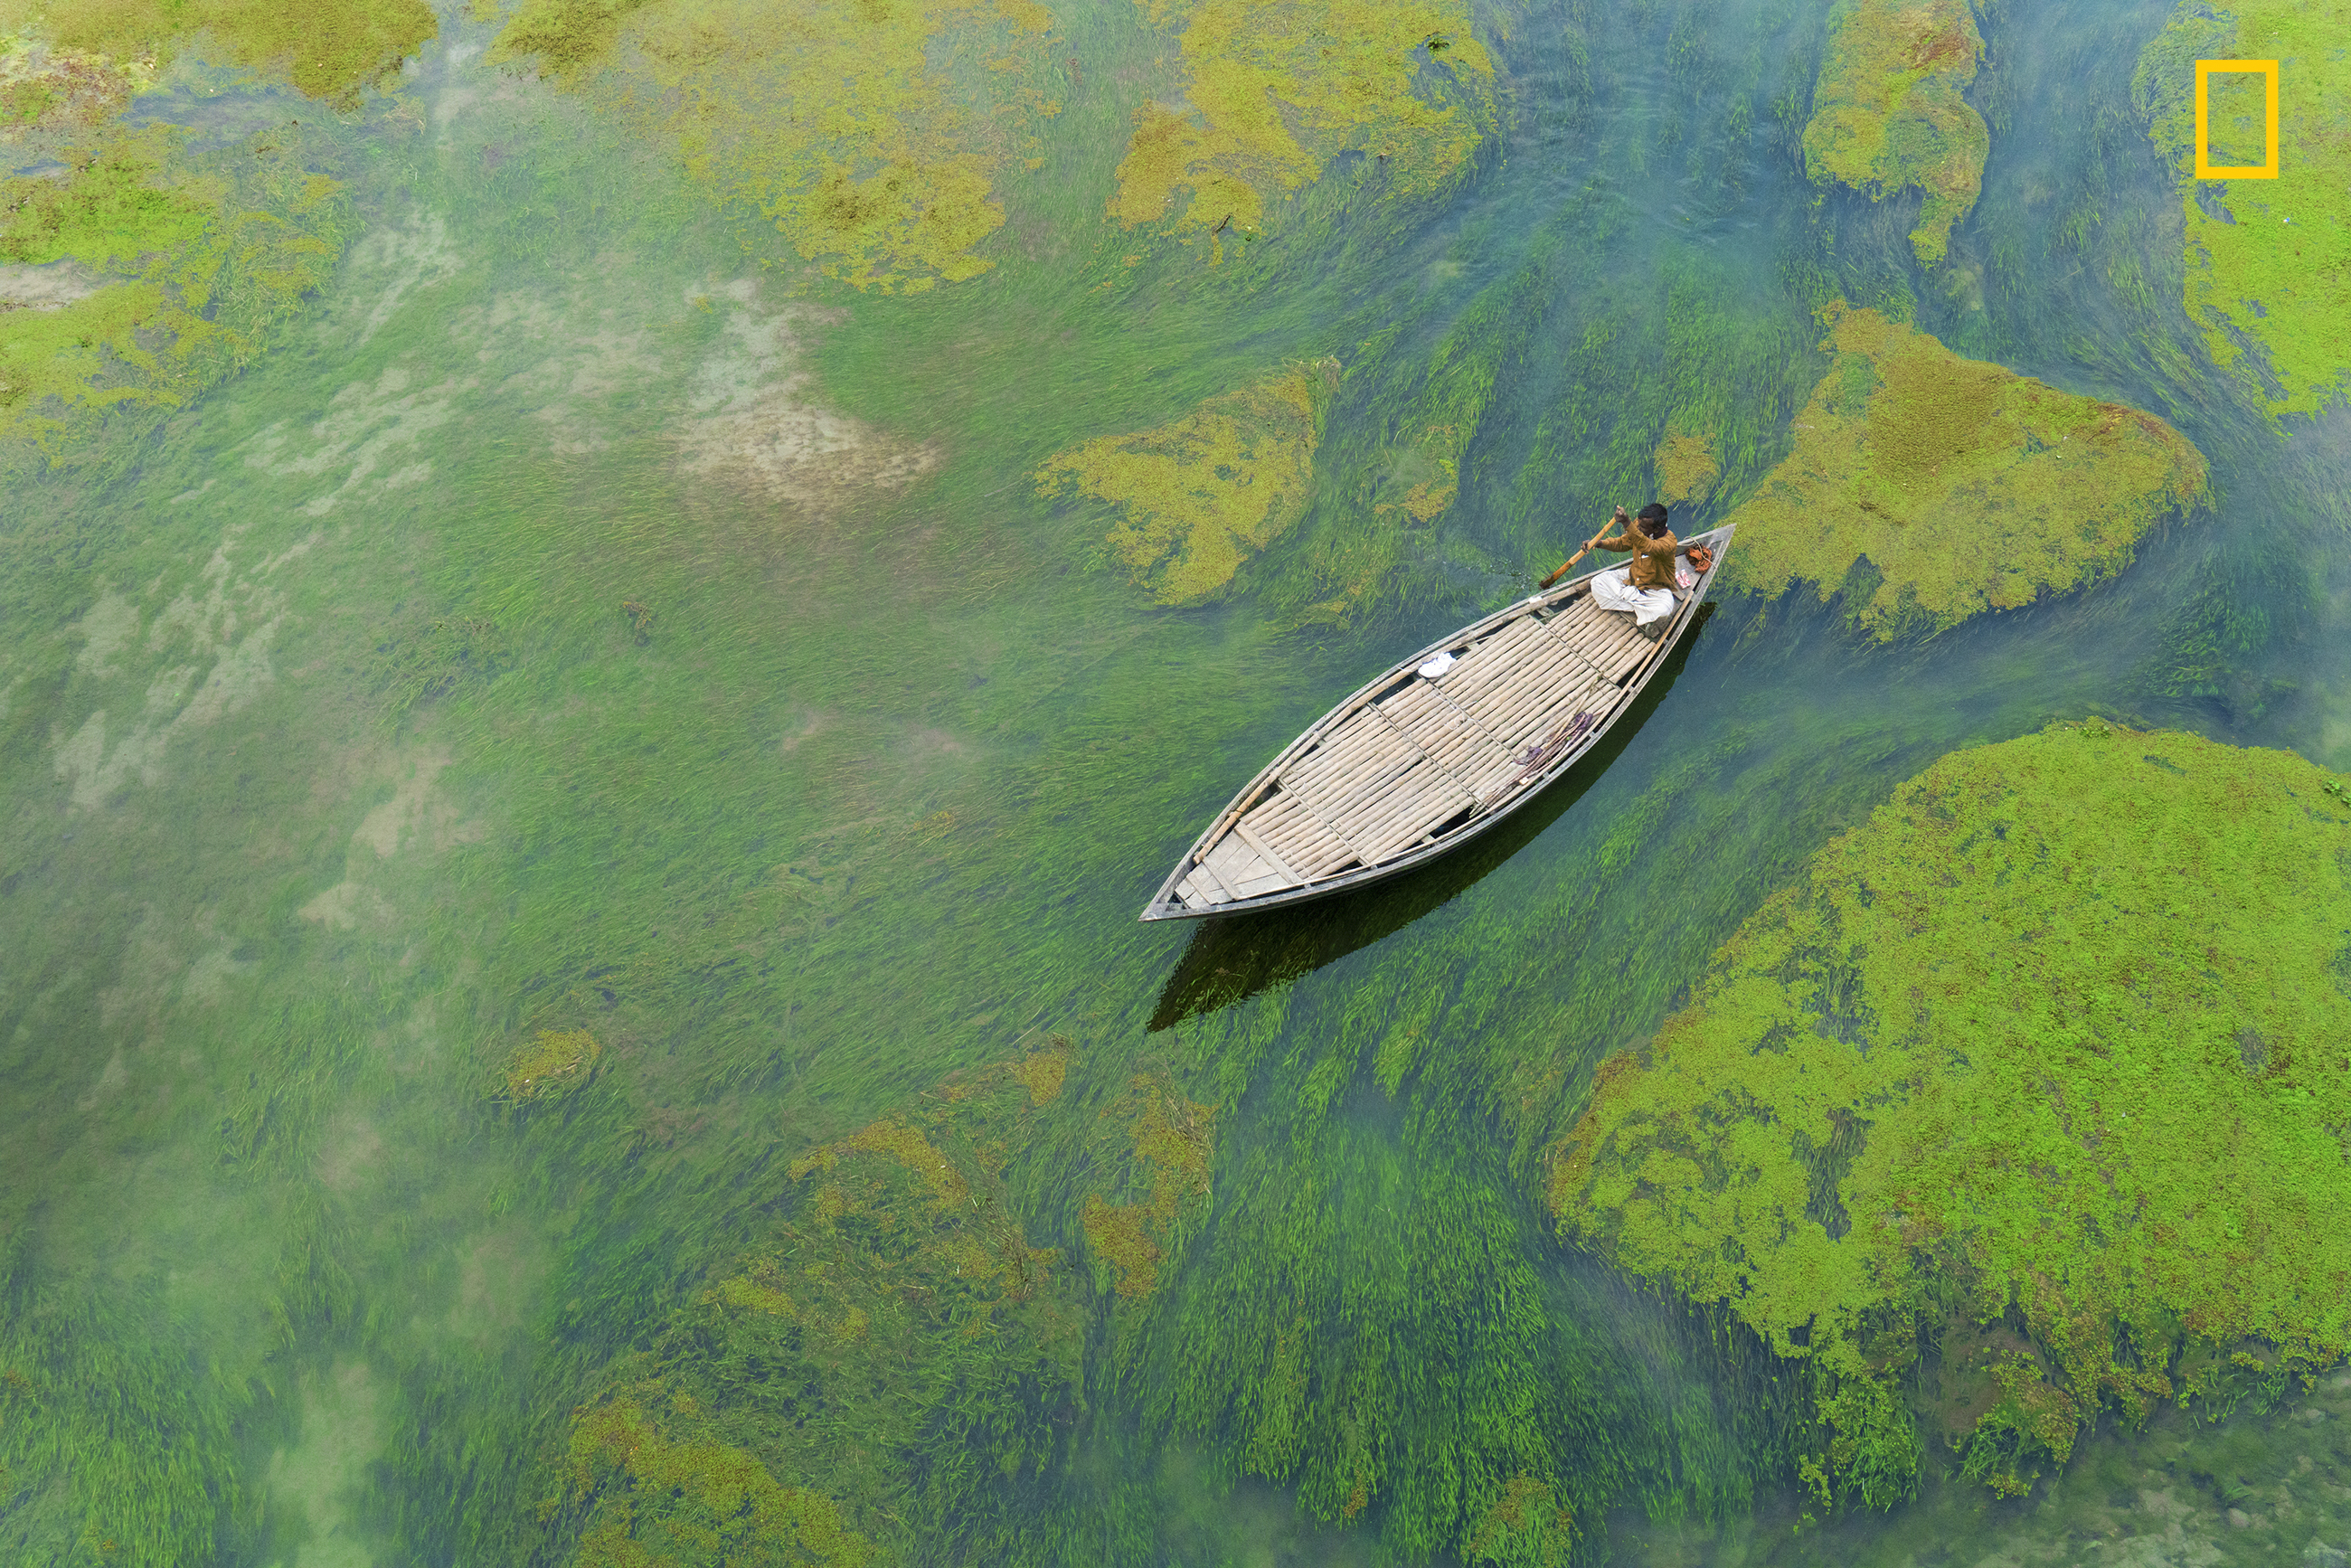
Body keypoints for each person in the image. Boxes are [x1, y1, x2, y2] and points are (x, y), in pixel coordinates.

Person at [1591, 503, 1680, 634]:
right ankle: (1638, 607)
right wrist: (1600, 543)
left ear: (1656, 529)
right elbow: (1622, 543)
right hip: (1634, 575)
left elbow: (1648, 547)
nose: (1637, 527)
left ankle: (1629, 600)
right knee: (1597, 582)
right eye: (1637, 523)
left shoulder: (1669, 542)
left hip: (1656, 587)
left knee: (1664, 610)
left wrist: (1627, 523)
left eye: (1642, 527)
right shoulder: (1640, 525)